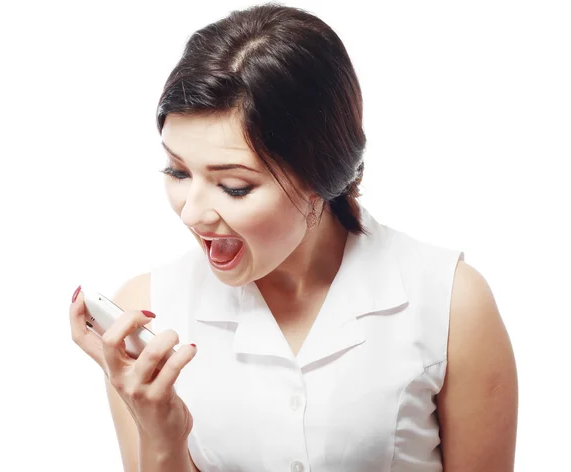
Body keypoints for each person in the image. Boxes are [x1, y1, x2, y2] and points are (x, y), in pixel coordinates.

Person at [69, 3, 518, 471]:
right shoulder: (148, 314)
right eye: (177, 170)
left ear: (318, 179)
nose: (193, 212)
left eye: (234, 186)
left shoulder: (451, 303)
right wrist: (161, 434)